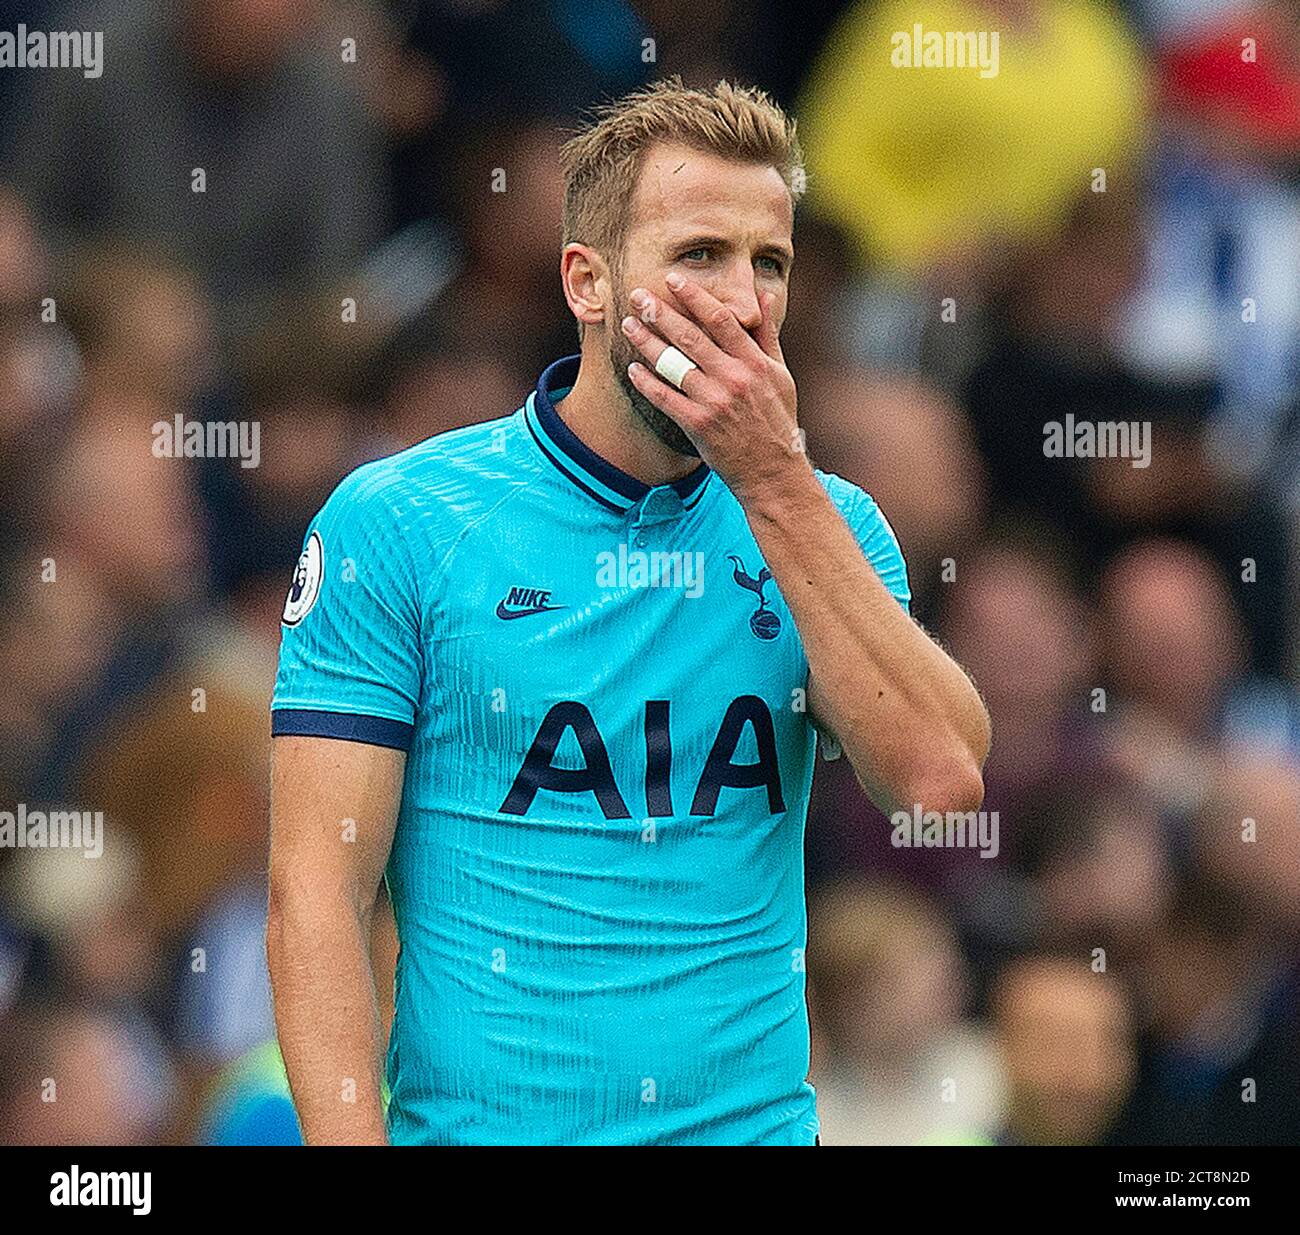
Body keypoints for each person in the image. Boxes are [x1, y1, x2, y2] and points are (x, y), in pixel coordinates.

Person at [267, 78, 990, 1146]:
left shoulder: (828, 527)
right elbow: (317, 885)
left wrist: (777, 486)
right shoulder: (402, 521)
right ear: (588, 281)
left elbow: (937, 780)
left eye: (770, 264)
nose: (743, 302)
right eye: (700, 254)